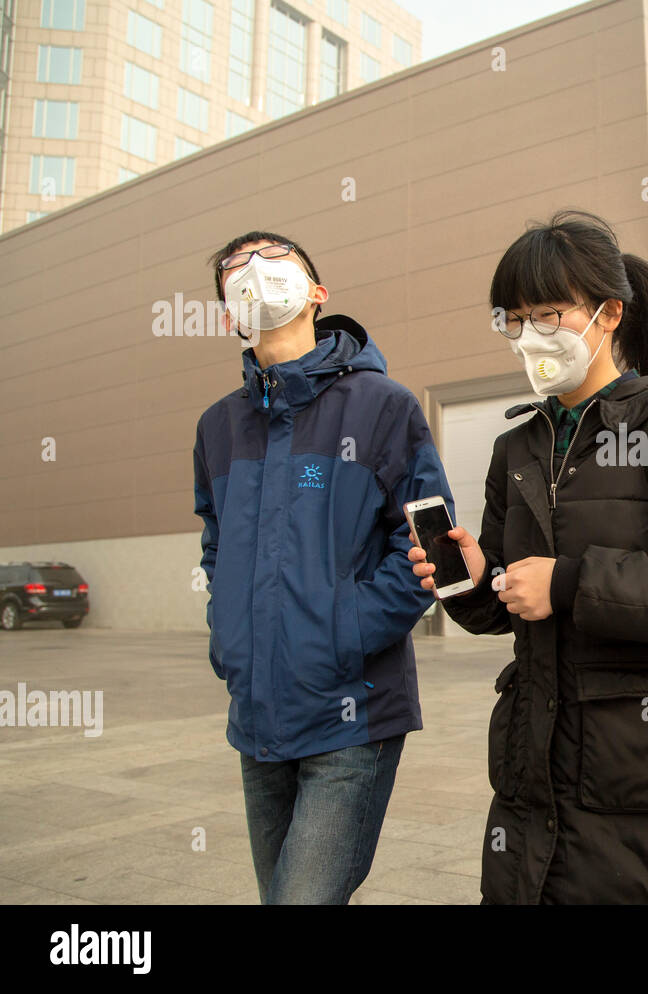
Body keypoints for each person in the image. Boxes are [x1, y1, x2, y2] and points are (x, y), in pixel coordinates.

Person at [409, 210, 648, 904]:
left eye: (548, 314)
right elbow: (514, 609)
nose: (530, 336)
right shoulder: (517, 449)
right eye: (514, 319)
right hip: (537, 771)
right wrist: (478, 581)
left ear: (609, 314)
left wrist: (568, 583)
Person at [194, 232, 449, 903]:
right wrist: (232, 642)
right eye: (235, 267)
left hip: (351, 715)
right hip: (256, 719)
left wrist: (346, 629)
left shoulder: (384, 406)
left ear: (318, 291)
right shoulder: (217, 428)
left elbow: (430, 545)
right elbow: (217, 549)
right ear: (228, 314)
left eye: (273, 257)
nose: (254, 270)